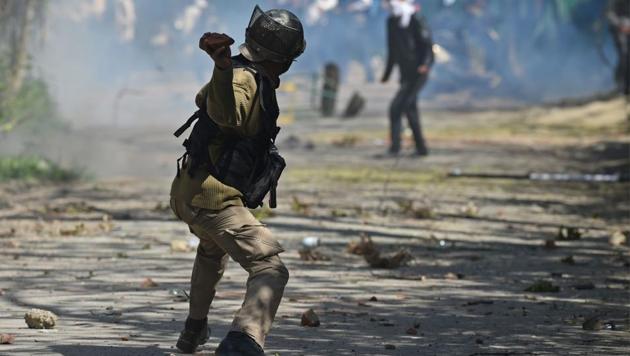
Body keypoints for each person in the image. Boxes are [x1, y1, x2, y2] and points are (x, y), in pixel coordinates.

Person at [169, 5, 306, 355]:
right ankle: (242, 342)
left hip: (189, 191)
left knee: (212, 250)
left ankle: (193, 330)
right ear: (284, 59)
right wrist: (222, 67)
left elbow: (212, 100)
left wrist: (223, 70)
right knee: (269, 267)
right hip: (213, 199)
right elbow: (226, 111)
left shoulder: (242, 75)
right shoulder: (243, 78)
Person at [381, 0, 434, 157]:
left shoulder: (415, 19)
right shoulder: (391, 22)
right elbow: (392, 49)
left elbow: (427, 45)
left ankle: (396, 148)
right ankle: (420, 148)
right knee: (409, 109)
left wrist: (425, 64)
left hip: (418, 73)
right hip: (405, 73)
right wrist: (387, 73)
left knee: (397, 107)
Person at [607, 0, 630, 95]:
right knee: (625, 54)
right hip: (620, 30)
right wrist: (621, 25)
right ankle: (623, 84)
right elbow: (610, 14)